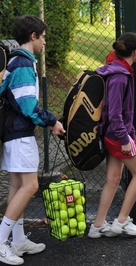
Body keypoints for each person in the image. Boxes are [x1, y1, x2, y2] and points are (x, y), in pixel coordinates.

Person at [0, 15, 65, 265]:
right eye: (44, 36)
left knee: (17, 186)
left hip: (13, 133)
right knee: (30, 186)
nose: (45, 42)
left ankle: (17, 241)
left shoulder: (17, 60)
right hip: (20, 134)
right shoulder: (24, 64)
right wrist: (52, 121)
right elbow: (28, 106)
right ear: (33, 36)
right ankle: (2, 240)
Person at [88, 32, 136, 239]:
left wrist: (130, 134)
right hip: (116, 136)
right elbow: (114, 113)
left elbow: (124, 111)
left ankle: (97, 225)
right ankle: (121, 221)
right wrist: (125, 139)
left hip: (114, 134)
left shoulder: (116, 71)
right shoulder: (120, 76)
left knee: (113, 179)